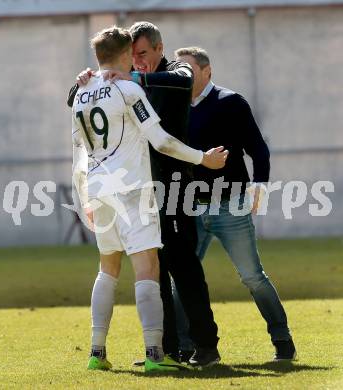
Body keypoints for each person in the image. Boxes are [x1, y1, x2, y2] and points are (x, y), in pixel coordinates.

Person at [71, 28, 227, 372]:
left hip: (99, 189)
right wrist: (204, 159)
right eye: (134, 55)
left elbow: (78, 153)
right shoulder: (127, 89)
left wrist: (83, 197)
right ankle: (157, 355)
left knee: (107, 269)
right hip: (134, 189)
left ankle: (96, 353)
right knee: (149, 268)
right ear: (126, 52)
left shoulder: (81, 92)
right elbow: (161, 141)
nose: (137, 61)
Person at [172, 47, 297, 361]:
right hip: (189, 206)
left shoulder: (231, 103)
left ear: (207, 71)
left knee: (253, 276)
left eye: (188, 70)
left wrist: (260, 186)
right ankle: (185, 347)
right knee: (184, 279)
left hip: (232, 204)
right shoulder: (174, 107)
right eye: (178, 71)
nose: (182, 76)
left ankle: (283, 342)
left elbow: (258, 149)